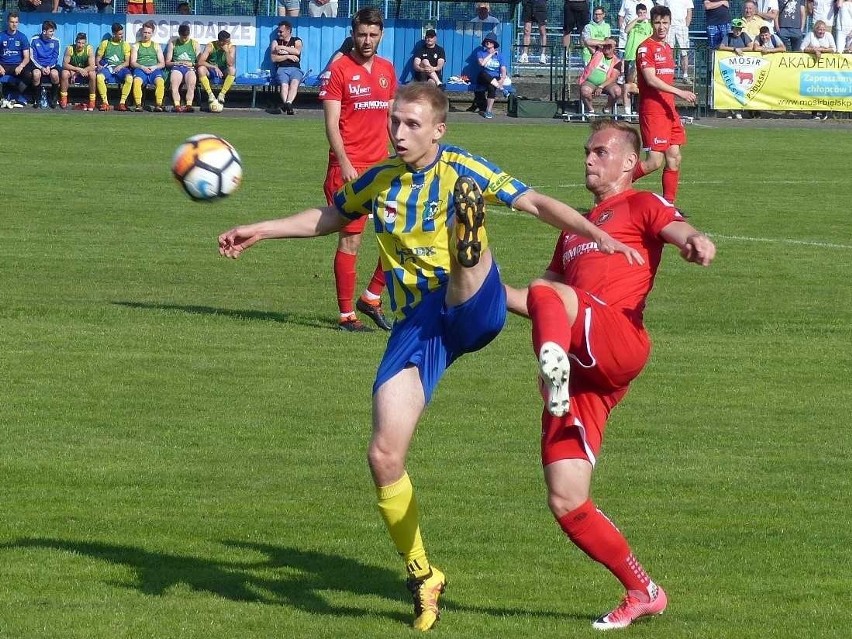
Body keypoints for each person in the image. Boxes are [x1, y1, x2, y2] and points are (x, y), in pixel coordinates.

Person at [218, 82, 641, 633]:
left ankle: (468, 232)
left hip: (473, 303)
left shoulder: (463, 164)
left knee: (467, 260)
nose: (397, 131)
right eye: (395, 122)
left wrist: (593, 233)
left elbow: (535, 202)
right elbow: (328, 217)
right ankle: (423, 574)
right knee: (383, 454)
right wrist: (261, 229)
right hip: (417, 328)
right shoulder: (380, 180)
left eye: (411, 124)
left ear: (439, 130)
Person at [504, 118, 716, 631]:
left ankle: (550, 366)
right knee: (566, 496)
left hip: (619, 338)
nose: (589, 160)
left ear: (628, 162)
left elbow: (676, 225)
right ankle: (643, 590)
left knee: (550, 295)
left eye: (600, 151)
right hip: (581, 370)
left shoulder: (640, 204)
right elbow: (539, 300)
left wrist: (695, 240)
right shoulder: (575, 229)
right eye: (587, 151)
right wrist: (475, 283)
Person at [318, 7, 396, 332]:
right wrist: (345, 162)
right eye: (362, 34)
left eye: (373, 35)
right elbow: (332, 125)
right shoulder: (339, 70)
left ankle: (372, 296)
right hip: (347, 170)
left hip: (381, 167)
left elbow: (392, 118)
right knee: (351, 242)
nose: (367, 41)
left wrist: (405, 154)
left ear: (381, 35)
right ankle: (346, 315)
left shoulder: (387, 70)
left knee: (400, 236)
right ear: (353, 33)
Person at [632, 5, 696, 204]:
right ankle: (613, 183)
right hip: (653, 111)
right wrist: (680, 92)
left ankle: (669, 205)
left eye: (665, 23)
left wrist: (675, 97)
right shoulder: (645, 48)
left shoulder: (667, 47)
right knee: (654, 162)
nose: (661, 27)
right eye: (658, 22)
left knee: (675, 157)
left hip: (669, 110)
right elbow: (651, 80)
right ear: (652, 23)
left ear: (670, 24)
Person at [801, 19, 838, 119]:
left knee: (824, 89)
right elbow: (802, 48)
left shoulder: (829, 36)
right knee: (814, 89)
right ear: (815, 30)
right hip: (813, 67)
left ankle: (824, 112)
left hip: (826, 67)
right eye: (819, 30)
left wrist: (821, 49)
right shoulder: (810, 35)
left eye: (823, 30)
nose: (821, 32)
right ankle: (814, 113)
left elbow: (834, 49)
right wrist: (814, 50)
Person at [578, 38, 622, 115]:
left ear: (614, 48)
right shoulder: (598, 52)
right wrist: (604, 42)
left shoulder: (617, 61)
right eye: (605, 45)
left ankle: (607, 109)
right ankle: (591, 111)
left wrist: (601, 86)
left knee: (617, 91)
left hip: (606, 83)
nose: (607, 47)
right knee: (585, 91)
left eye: (610, 46)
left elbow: (613, 78)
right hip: (590, 82)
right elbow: (587, 42)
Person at [96, 22, 133, 111]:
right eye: (120, 34)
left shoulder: (125, 45)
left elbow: (127, 62)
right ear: (114, 34)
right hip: (108, 67)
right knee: (99, 77)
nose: (122, 36)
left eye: (122, 33)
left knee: (129, 78)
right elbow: (98, 58)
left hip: (121, 68)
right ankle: (105, 103)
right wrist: (99, 65)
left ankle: (122, 103)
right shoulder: (105, 43)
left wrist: (120, 66)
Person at [130, 20, 165, 112]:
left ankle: (159, 104)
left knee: (160, 81)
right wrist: (142, 67)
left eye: (149, 33)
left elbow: (162, 63)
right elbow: (133, 62)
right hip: (141, 69)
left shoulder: (156, 45)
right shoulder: (136, 46)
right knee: (137, 81)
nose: (146, 34)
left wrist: (154, 67)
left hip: (154, 69)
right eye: (145, 32)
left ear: (152, 34)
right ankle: (138, 104)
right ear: (142, 32)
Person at [270, 20, 303, 115]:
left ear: (288, 31)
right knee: (284, 85)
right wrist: (288, 56)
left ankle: (288, 104)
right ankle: (287, 104)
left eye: (281, 31)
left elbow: (297, 52)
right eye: (278, 31)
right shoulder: (275, 41)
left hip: (295, 69)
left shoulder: (296, 40)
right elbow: (274, 58)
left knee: (294, 83)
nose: (278, 33)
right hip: (281, 69)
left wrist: (282, 48)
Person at [197, 30, 236, 111]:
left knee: (232, 70)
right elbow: (200, 61)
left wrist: (226, 51)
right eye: (227, 42)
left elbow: (230, 64)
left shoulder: (231, 47)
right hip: (211, 69)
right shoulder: (210, 46)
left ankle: (222, 94)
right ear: (221, 42)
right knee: (201, 69)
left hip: (223, 70)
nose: (229, 43)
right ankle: (210, 95)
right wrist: (214, 67)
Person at [165, 22, 199, 112]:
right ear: (179, 34)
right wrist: (176, 62)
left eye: (186, 37)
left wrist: (192, 64)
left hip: (190, 68)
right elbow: (167, 62)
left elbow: (199, 62)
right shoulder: (173, 43)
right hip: (177, 67)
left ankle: (189, 105)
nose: (184, 39)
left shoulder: (194, 44)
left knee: (191, 83)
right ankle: (177, 105)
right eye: (182, 37)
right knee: (174, 84)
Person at [0, 12, 32, 107]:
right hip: (3, 64)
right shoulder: (1, 36)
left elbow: (27, 57)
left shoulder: (22, 37)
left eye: (16, 22)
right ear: (7, 22)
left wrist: (21, 66)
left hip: (17, 65)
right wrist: (0, 67)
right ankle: (2, 98)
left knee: (29, 75)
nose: (14, 24)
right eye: (12, 22)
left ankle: (15, 96)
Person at [474, 34, 510, 119]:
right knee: (483, 73)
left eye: (490, 41)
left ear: (494, 43)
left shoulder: (500, 56)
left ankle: (488, 111)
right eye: (486, 41)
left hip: (494, 78)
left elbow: (503, 69)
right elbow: (482, 64)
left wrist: (502, 79)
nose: (488, 43)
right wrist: (491, 54)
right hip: (483, 78)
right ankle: (502, 89)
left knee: (491, 87)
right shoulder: (480, 53)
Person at [657, 0, 694, 81]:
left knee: (684, 52)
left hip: (682, 27)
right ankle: (668, 74)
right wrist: (664, 23)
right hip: (669, 26)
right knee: (668, 51)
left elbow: (689, 11)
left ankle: (685, 75)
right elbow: (659, 8)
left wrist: (686, 26)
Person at [60, 32, 96, 111]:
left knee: (93, 74)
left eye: (83, 43)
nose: (80, 45)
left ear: (85, 43)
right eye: (79, 43)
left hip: (85, 70)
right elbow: (64, 64)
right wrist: (78, 69)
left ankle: (92, 100)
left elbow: (92, 66)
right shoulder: (70, 49)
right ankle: (63, 97)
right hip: (73, 70)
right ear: (75, 42)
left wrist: (79, 72)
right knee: (64, 73)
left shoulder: (89, 49)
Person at [28, 20, 61, 109]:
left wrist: (49, 67)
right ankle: (37, 98)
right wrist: (41, 67)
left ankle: (54, 98)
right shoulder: (34, 40)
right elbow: (32, 57)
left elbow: (55, 56)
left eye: (53, 31)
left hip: (50, 65)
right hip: (38, 65)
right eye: (51, 31)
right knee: (36, 74)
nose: (52, 33)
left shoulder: (56, 41)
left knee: (55, 74)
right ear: (44, 31)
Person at [623, 4, 652, 86]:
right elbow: (626, 30)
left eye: (644, 12)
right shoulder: (633, 23)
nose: (642, 15)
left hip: (642, 55)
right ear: (636, 13)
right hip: (630, 55)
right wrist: (637, 19)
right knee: (628, 81)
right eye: (640, 13)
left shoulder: (649, 24)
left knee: (639, 81)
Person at [519, 0, 548, 64]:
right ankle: (525, 54)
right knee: (527, 30)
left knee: (542, 31)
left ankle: (543, 55)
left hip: (540, 6)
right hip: (528, 5)